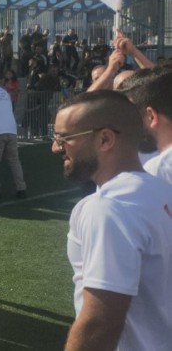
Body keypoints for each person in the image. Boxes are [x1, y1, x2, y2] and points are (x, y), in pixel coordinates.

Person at [51, 90, 172, 351]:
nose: (56, 147)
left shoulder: (107, 207)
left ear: (105, 139)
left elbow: (99, 324)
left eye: (64, 138)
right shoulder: (163, 191)